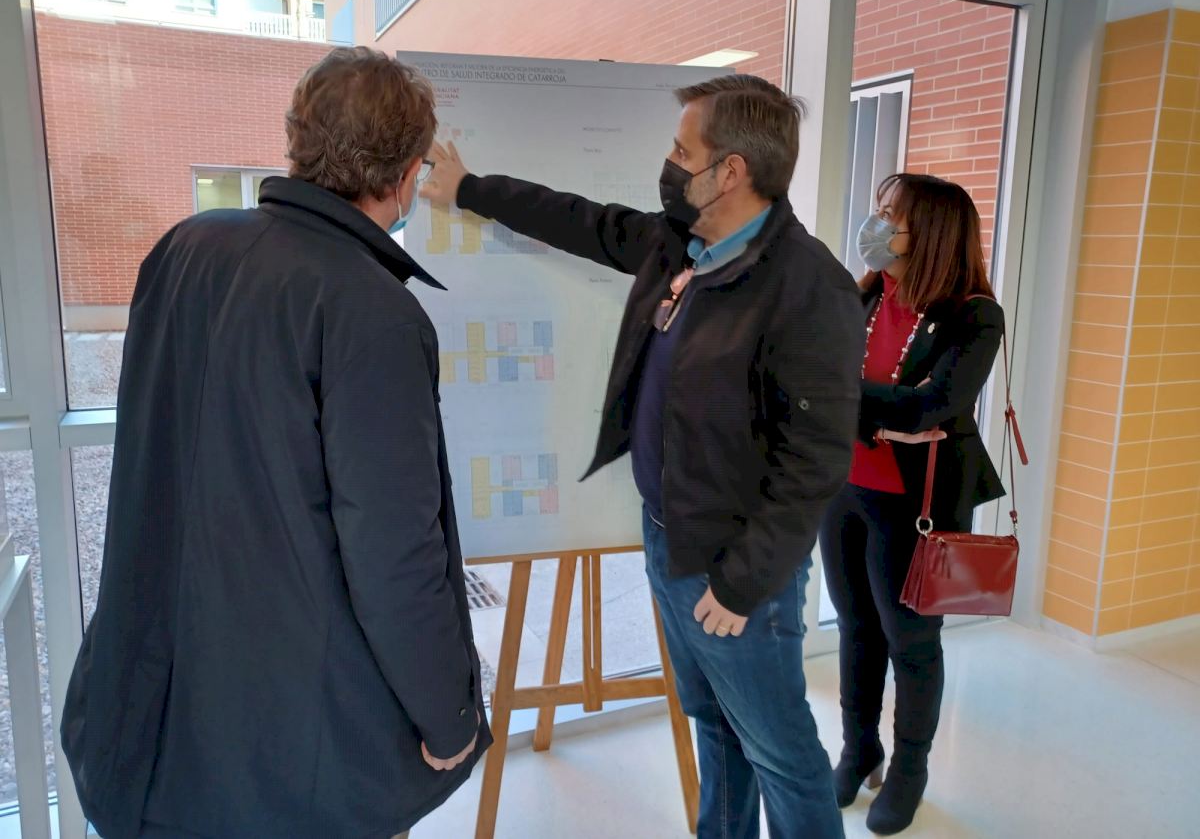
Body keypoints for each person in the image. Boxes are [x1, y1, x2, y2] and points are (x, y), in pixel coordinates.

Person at [61, 47, 491, 839]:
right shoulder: (372, 311)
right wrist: (449, 717)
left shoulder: (184, 248)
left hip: (157, 716)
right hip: (297, 754)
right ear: (405, 174)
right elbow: (394, 551)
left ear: (298, 140)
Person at [422, 74, 863, 839]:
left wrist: (739, 585)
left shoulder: (806, 286)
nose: (669, 162)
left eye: (682, 151)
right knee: (715, 725)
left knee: (781, 752)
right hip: (670, 538)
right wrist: (470, 188)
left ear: (730, 171)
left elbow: (815, 463)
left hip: (735, 572)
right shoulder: (681, 244)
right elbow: (583, 222)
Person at [819, 174, 1005, 835]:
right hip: (843, 488)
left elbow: (932, 405)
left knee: (912, 640)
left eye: (889, 214)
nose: (874, 223)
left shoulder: (973, 315)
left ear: (930, 233)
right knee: (855, 626)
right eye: (878, 208)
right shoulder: (864, 295)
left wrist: (840, 395)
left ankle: (909, 769)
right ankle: (858, 749)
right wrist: (873, 407)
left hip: (915, 504)